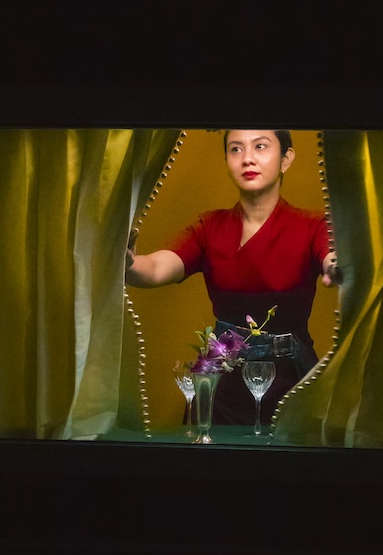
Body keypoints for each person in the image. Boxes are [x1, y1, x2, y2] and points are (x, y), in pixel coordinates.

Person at [125, 128, 341, 425]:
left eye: (260, 147)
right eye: (236, 149)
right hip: (222, 384)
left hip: (291, 381)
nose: (247, 159)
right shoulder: (210, 226)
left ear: (286, 158)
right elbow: (156, 268)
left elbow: (331, 257)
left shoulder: (312, 225)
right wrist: (128, 264)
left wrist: (336, 266)